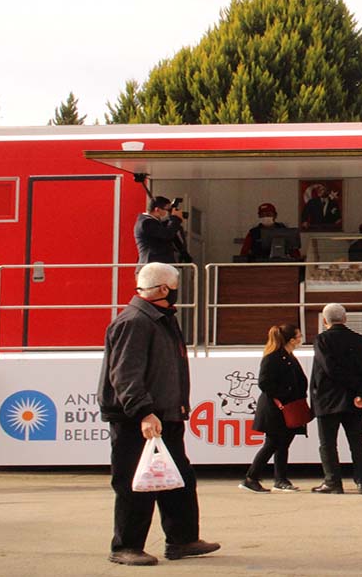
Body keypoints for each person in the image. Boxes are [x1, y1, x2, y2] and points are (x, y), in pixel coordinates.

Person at [98, 262, 220, 566]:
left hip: (165, 415)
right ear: (165, 289)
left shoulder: (158, 319)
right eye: (176, 286)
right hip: (139, 419)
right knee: (134, 483)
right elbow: (125, 374)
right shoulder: (136, 321)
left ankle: (182, 540)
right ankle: (125, 546)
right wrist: (143, 412)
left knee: (178, 480)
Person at [311, 303, 362, 494]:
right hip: (355, 401)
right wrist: (361, 393)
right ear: (345, 318)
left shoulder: (322, 340)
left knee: (328, 444)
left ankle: (333, 482)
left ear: (325, 320)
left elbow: (329, 368)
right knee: (357, 442)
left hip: (327, 399)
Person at [240, 324, 309, 494]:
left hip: (288, 408)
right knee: (272, 443)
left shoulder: (289, 356)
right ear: (291, 339)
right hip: (275, 409)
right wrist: (287, 393)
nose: (301, 338)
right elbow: (264, 383)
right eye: (299, 336)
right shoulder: (273, 357)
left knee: (283, 444)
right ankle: (251, 477)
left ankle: (280, 479)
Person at [134, 197, 185, 267]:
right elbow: (167, 234)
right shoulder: (146, 222)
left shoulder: (153, 222)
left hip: (158, 267)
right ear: (157, 209)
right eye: (168, 210)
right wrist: (175, 218)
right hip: (151, 267)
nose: (169, 212)